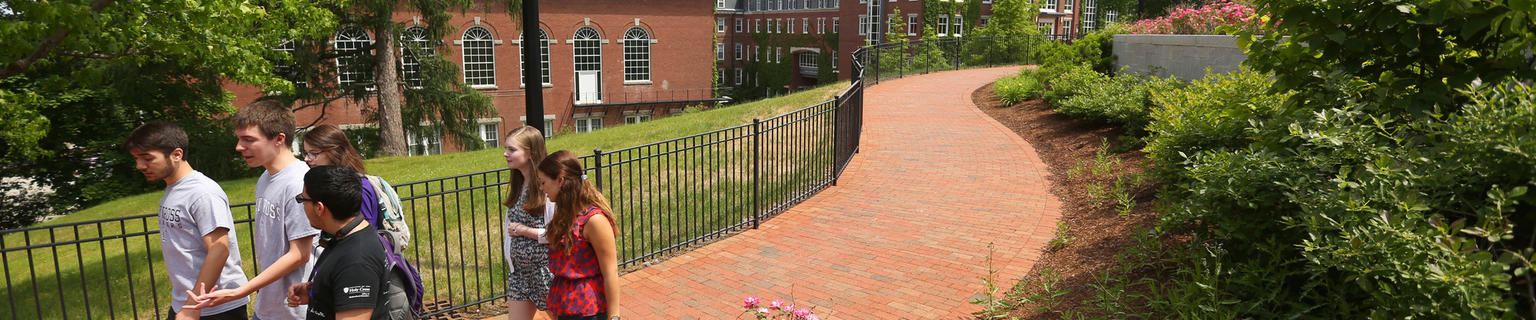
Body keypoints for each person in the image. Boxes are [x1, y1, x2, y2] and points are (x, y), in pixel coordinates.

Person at [189, 100, 318, 320]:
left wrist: (241, 291)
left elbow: (300, 254)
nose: (239, 147)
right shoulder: (265, 178)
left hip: (296, 311)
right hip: (268, 308)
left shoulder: (299, 182)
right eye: (239, 139)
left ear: (279, 139)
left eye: (248, 140)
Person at [125, 121, 251, 320]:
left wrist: (193, 307)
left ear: (177, 154)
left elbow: (219, 248)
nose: (140, 166)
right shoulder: (174, 189)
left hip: (216, 307)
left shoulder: (202, 192)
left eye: (147, 159)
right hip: (186, 304)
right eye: (137, 159)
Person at [298, 124, 423, 319]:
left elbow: (359, 247)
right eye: (305, 153)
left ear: (334, 151)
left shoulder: (354, 189)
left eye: (314, 153)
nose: (307, 159)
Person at [508, 150, 621, 320]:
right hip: (565, 307)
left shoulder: (594, 220)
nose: (541, 188)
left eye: (543, 182)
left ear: (560, 180)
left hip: (589, 311)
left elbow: (610, 271)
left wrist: (614, 317)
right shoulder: (565, 214)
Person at [287, 165, 390, 320]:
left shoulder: (357, 261)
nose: (302, 206)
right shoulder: (345, 236)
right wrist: (317, 293)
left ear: (319, 208)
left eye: (302, 199)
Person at [497, 126, 555, 320]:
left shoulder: (546, 187)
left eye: (512, 150)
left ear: (531, 152)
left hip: (545, 273)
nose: (506, 154)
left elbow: (557, 233)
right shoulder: (518, 185)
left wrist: (524, 230)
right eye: (506, 149)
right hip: (520, 275)